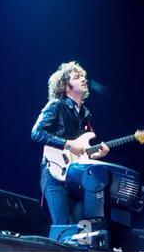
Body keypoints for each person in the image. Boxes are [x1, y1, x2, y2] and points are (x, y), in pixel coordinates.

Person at [31, 61, 109, 225]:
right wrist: (68, 144)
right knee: (62, 226)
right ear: (66, 87)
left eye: (83, 76)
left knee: (81, 230)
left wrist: (94, 154)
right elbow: (36, 133)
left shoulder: (85, 115)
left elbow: (82, 149)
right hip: (53, 173)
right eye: (77, 77)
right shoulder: (56, 105)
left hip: (75, 178)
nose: (83, 79)